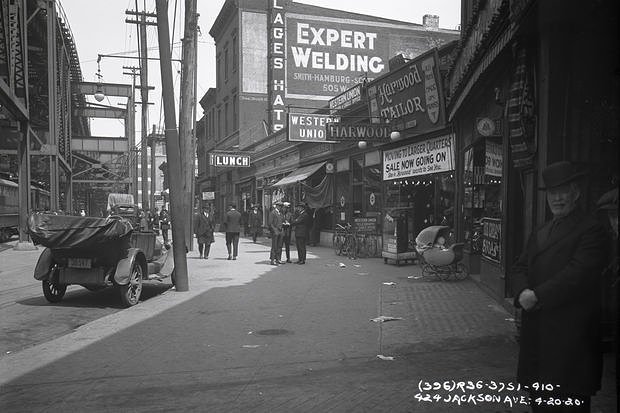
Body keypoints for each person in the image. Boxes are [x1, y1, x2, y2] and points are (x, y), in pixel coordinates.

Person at [509, 161, 609, 412]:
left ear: (576, 193)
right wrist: (522, 292)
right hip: (538, 338)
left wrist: (537, 296)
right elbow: (519, 266)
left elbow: (578, 273)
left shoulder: (591, 229)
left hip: (570, 341)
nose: (557, 198)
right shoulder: (541, 230)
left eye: (563, 191)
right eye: (552, 193)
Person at [268, 201, 285, 265]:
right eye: (280, 206)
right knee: (274, 246)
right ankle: (272, 260)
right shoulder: (273, 213)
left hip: (280, 231)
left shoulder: (280, 213)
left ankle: (278, 259)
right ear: (277, 206)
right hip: (275, 231)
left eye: (281, 206)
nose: (280, 208)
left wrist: (284, 223)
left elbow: (282, 221)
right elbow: (270, 223)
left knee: (280, 246)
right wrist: (274, 230)